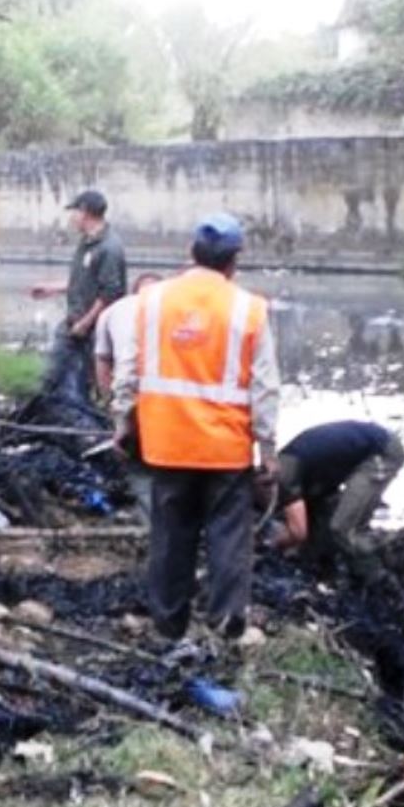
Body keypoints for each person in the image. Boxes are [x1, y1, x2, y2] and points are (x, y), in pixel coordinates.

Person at [119, 214, 278, 646]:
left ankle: (168, 626)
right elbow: (265, 389)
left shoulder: (152, 301)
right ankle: (226, 625)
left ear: (191, 253)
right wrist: (268, 450)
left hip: (167, 443)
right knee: (229, 540)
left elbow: (128, 372)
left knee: (171, 537)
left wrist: (122, 423)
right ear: (234, 261)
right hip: (226, 449)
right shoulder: (250, 309)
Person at [270, 421, 404, 573]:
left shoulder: (284, 474)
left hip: (381, 451)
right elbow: (315, 510)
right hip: (365, 447)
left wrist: (272, 544)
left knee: (342, 528)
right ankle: (325, 565)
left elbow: (298, 532)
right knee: (324, 513)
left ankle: (377, 577)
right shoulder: (292, 465)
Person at [30, 189, 125, 402]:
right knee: (53, 371)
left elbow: (110, 292)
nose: (72, 218)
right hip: (74, 321)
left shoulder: (109, 248)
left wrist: (85, 323)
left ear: (84, 213)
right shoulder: (86, 243)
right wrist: (52, 288)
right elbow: (83, 281)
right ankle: (45, 407)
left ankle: (104, 419)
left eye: (74, 212)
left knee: (97, 377)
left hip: (96, 327)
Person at [95, 271, 163, 520]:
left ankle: (151, 523)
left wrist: (112, 409)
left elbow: (104, 362)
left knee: (136, 464)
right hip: (170, 406)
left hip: (134, 400)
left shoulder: (112, 312)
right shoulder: (174, 310)